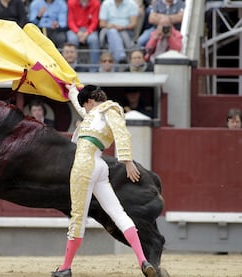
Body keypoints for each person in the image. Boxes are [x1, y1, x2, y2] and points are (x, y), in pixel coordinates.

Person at [51, 84, 156, 277]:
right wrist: (71, 88)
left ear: (91, 101)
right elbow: (80, 105)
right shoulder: (98, 113)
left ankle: (65, 268)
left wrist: (127, 160)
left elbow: (122, 133)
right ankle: (143, 260)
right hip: (99, 166)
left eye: (86, 105)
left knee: (77, 217)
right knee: (118, 213)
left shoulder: (108, 109)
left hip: (84, 165)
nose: (85, 111)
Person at [99, 0, 139, 65]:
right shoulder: (106, 3)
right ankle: (121, 56)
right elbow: (102, 23)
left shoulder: (132, 4)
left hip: (126, 30)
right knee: (112, 31)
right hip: (108, 30)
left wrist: (122, 27)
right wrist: (110, 26)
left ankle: (117, 60)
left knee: (113, 37)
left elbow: (134, 24)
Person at [66, 0, 101, 72]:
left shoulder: (96, 3)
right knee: (72, 40)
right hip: (75, 30)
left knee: (94, 40)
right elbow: (70, 21)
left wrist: (87, 33)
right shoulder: (71, 2)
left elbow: (95, 21)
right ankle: (72, 68)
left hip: (90, 30)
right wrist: (77, 32)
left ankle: (94, 69)